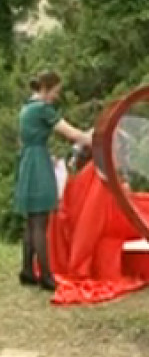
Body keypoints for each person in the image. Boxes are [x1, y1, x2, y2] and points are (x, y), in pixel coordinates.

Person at [14, 70, 93, 291]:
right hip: (38, 161)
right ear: (46, 88)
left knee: (31, 220)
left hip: (28, 159)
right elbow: (71, 134)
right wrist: (93, 136)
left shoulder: (27, 107)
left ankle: (27, 270)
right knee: (40, 222)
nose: (57, 96)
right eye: (56, 91)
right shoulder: (43, 109)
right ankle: (46, 276)